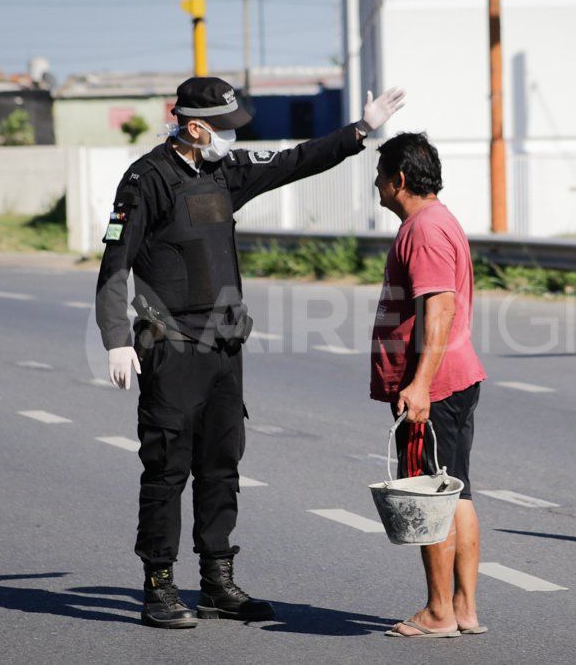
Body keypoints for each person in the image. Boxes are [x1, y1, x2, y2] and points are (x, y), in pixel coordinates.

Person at [95, 76, 405, 629]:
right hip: (170, 350)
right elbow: (114, 268)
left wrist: (361, 130)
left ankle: (216, 580)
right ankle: (159, 585)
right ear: (194, 127)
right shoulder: (146, 181)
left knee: (221, 466)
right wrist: (117, 339)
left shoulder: (225, 172)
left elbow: (294, 161)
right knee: (167, 468)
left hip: (223, 350)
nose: (232, 140)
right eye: (223, 130)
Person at [368, 132, 487, 638]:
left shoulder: (423, 228)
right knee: (455, 491)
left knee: (428, 497)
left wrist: (418, 384)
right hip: (455, 379)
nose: (375, 184)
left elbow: (438, 307)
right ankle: (463, 609)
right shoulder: (440, 221)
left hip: (433, 390)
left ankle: (439, 612)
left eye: (379, 176)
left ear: (398, 179)